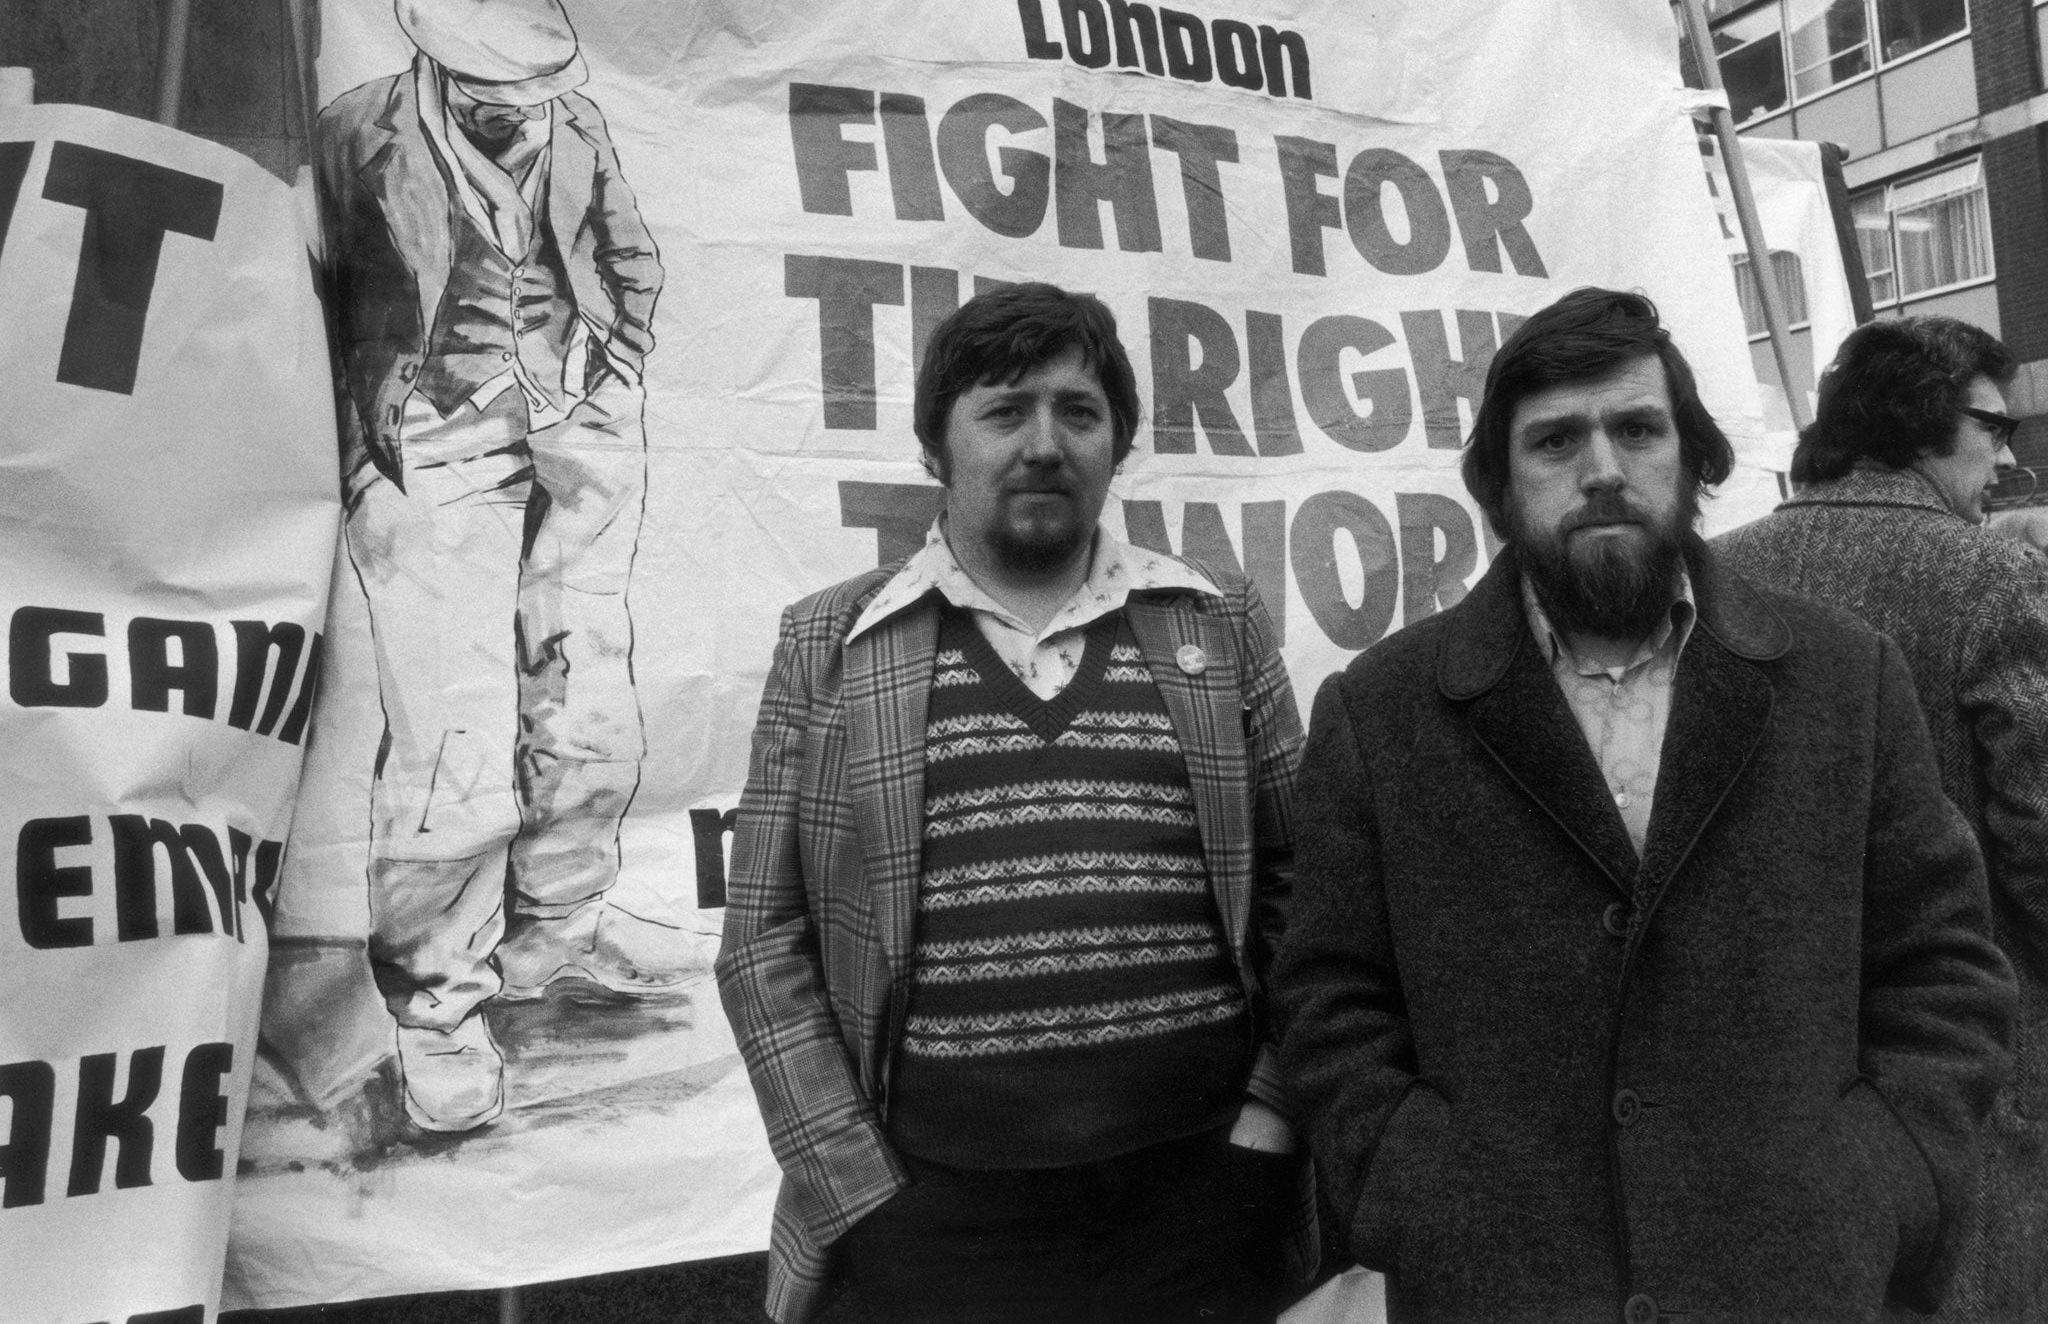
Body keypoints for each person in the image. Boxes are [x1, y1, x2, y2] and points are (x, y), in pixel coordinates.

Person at [1274, 288, 2014, 1322]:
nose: (1602, 470)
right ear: (1497, 481)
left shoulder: (1845, 680)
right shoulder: (1380, 712)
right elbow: (1326, 996)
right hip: (1504, 1286)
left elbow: (1940, 964)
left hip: (1794, 1278)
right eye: (1554, 441)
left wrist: (1884, 1175)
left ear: (1691, 455)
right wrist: (1412, 1185)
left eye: (1635, 428)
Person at [717, 284, 1311, 1324]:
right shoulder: (830, 646)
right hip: (942, 1227)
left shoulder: (1215, 624)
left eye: (1077, 413)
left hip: (1208, 1210)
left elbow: (1309, 896)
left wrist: (1269, 1122)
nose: (1044, 442)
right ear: (934, 447)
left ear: (1117, 443)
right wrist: (859, 1198)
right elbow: (762, 945)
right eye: (1003, 411)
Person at [317, 0, 702, 1135]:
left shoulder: (571, 121)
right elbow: (303, 286)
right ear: (440, 64)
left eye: (535, 84)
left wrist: (615, 360)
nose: (519, 106)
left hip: (577, 429)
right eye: (496, 85)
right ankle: (437, 1005)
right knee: (453, 736)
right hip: (433, 436)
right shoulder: (358, 136)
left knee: (586, 704)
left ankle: (557, 933)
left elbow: (626, 252)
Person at [1716, 315, 2048, 1320]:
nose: (2006, 456)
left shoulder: (1712, 573)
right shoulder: (1989, 576)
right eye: (1992, 426)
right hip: (1974, 1066)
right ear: (1917, 418)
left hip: (1765, 1062)